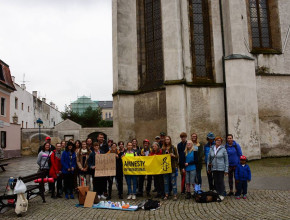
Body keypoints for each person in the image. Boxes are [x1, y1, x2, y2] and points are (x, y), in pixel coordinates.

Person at [162, 136, 179, 201]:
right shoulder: (163, 148)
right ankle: (166, 194)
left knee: (173, 181)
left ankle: (175, 194)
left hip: (172, 167)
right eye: (166, 139)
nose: (167, 140)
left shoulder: (173, 147)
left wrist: (173, 155)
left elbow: (177, 156)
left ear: (170, 140)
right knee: (166, 182)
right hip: (165, 168)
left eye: (168, 139)